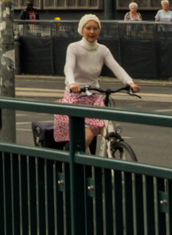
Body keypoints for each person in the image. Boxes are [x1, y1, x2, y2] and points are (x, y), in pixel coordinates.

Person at [54, 14, 140, 146]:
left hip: (94, 97)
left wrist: (130, 83)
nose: (92, 32)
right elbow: (68, 68)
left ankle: (110, 157)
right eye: (88, 28)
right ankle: (75, 163)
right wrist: (72, 83)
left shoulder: (102, 50)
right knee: (87, 137)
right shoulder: (74, 48)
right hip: (75, 97)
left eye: (95, 28)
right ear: (81, 30)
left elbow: (116, 67)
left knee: (109, 132)